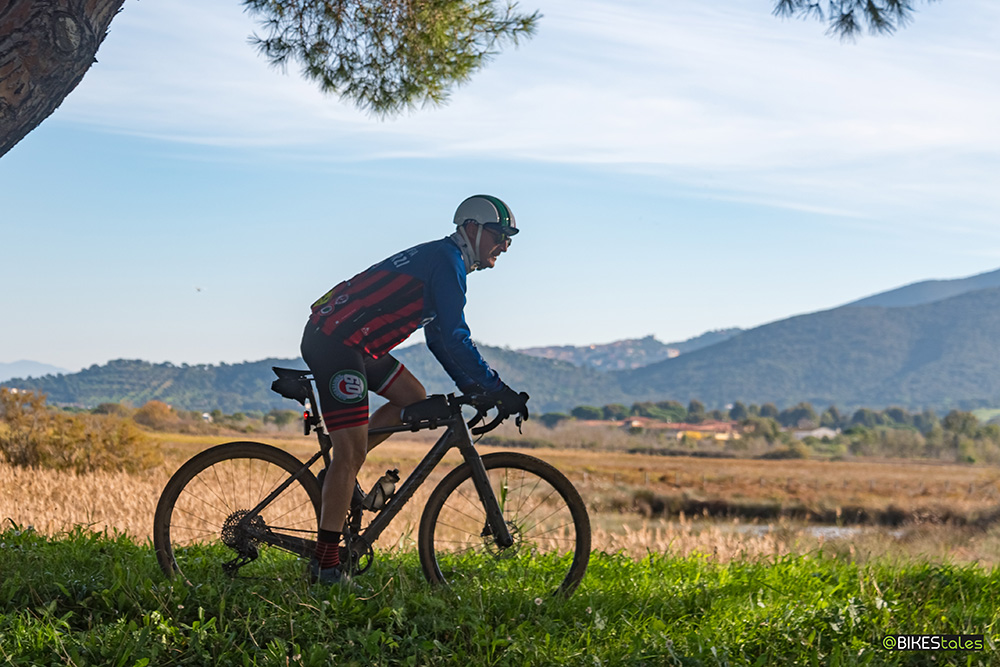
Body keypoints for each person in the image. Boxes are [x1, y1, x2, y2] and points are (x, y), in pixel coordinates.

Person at [300, 194, 529, 585]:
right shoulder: (447, 262)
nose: (505, 244)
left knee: (415, 399)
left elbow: (440, 339)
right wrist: (496, 387)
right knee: (350, 452)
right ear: (472, 229)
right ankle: (326, 564)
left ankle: (338, 478)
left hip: (357, 344)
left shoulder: (447, 261)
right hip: (335, 342)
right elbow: (457, 338)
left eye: (510, 237)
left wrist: (475, 389)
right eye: (499, 234)